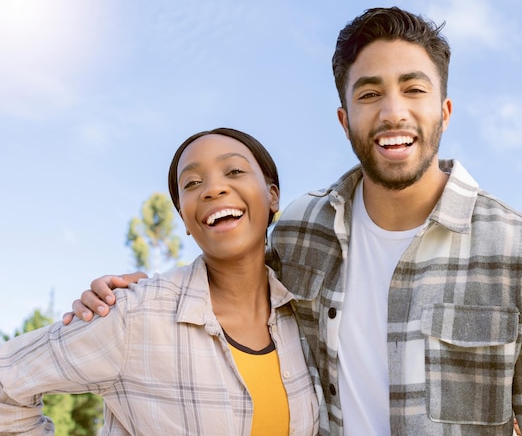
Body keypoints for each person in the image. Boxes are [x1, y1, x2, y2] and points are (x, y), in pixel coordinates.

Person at [66, 7, 522, 435]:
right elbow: (222, 290)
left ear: (444, 110)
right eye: (369, 93)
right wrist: (118, 299)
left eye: (414, 89)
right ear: (344, 118)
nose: (393, 111)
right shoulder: (298, 233)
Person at [0, 128, 326, 435]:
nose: (213, 189)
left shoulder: (308, 316)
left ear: (272, 197)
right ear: (184, 217)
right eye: (193, 183)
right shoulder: (133, 314)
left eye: (234, 171)